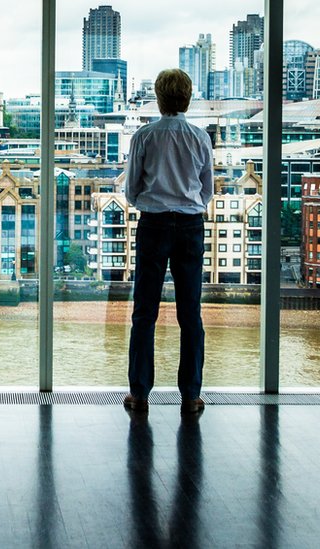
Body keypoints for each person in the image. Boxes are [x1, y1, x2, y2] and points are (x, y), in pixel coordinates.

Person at [123, 68, 213, 415]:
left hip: (154, 225)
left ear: (158, 98)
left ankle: (140, 394)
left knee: (144, 312)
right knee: (190, 313)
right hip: (190, 225)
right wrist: (189, 202)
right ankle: (190, 396)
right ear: (187, 99)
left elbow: (131, 188)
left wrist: (150, 200)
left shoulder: (144, 136)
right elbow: (207, 189)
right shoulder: (200, 137)